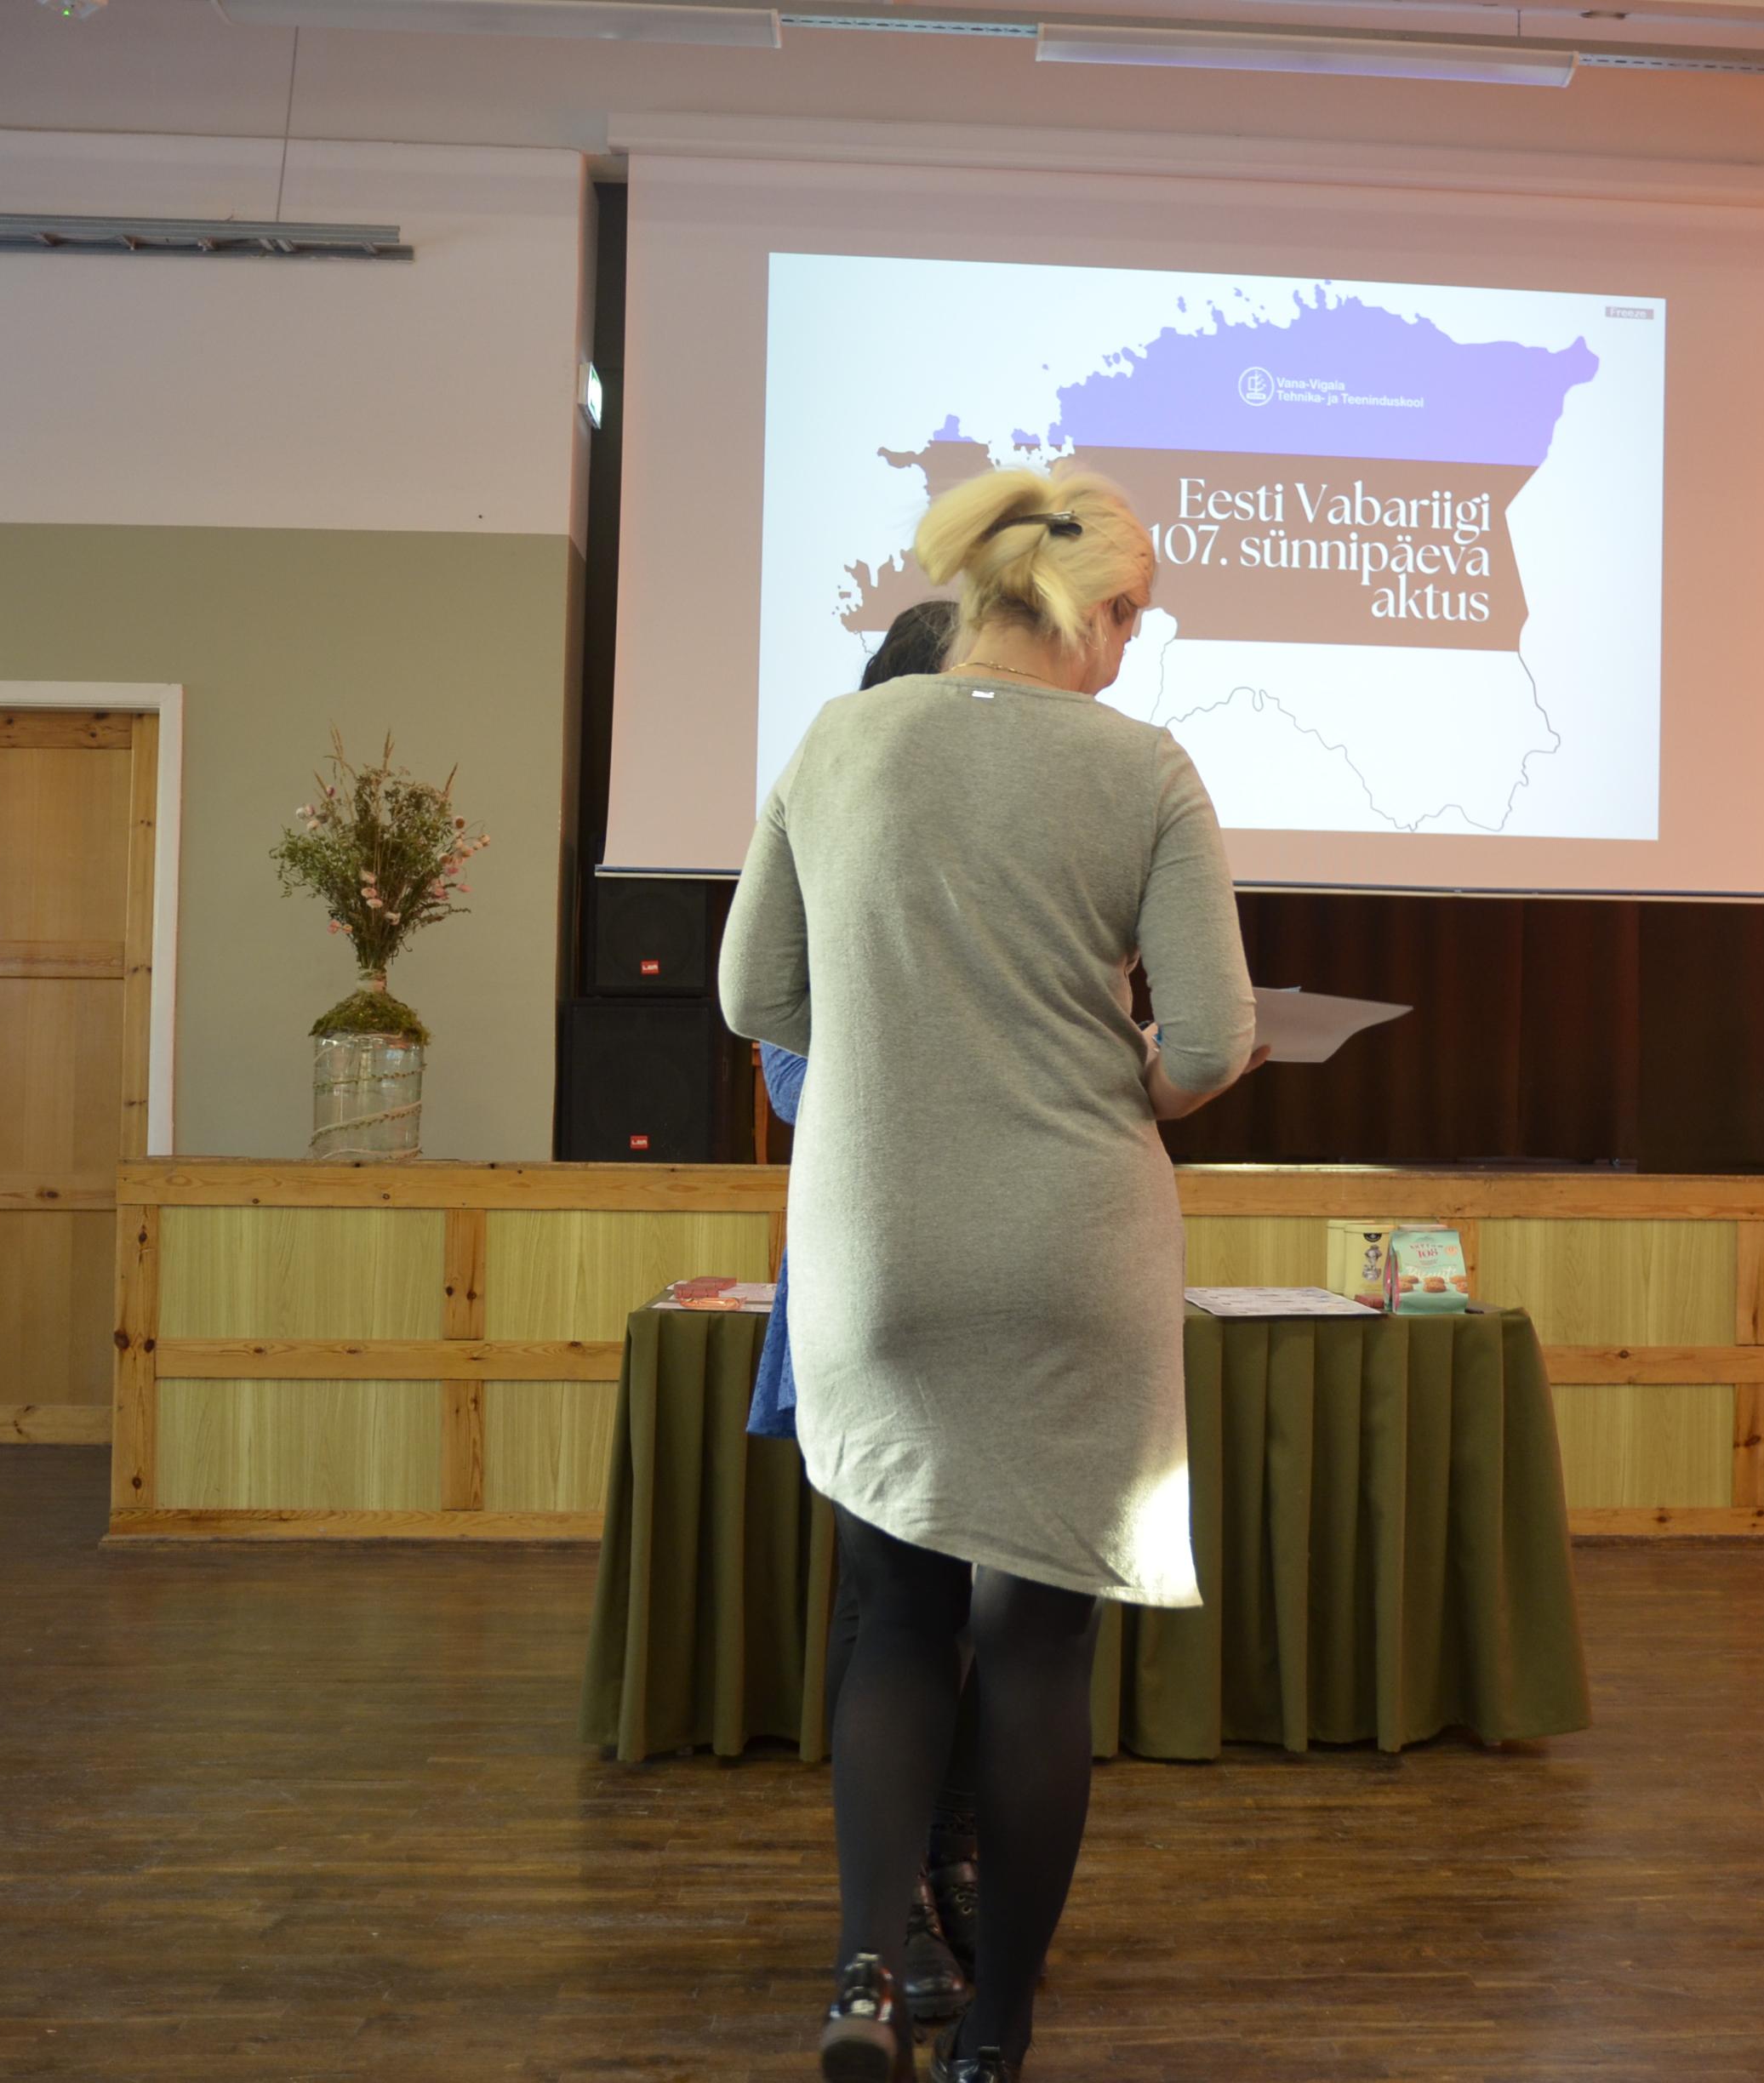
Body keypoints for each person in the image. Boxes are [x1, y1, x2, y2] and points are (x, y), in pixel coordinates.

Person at [719, 463, 1262, 2083]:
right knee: (1035, 1643)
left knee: (895, 1611)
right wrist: (1108, 1075)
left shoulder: (838, 741)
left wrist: (908, 1058)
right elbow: (1212, 1042)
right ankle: (1001, 2026)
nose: (1129, 651)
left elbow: (755, 997)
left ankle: (865, 1970)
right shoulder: (1144, 767)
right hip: (1073, 1242)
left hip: (879, 1239)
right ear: (1095, 610)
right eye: (1134, 622)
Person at [745, 596, 983, 2026]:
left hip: (1012, 1267)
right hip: (872, 1262)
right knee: (890, 1596)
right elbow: (786, 1078)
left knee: (997, 1600)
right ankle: (888, 1913)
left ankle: (955, 1866)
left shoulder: (1028, 838)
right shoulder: (820, 831)